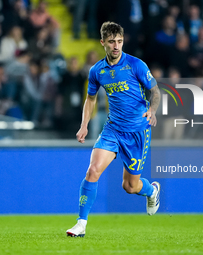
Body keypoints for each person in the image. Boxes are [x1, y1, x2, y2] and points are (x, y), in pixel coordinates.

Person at [66, 21, 161, 238]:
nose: (116, 46)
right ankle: (81, 224)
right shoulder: (97, 71)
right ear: (103, 43)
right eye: (111, 42)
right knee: (92, 170)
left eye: (119, 41)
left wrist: (152, 111)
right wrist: (84, 125)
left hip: (138, 132)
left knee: (130, 186)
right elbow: (90, 99)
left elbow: (155, 92)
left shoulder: (136, 65)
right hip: (113, 130)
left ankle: (152, 190)